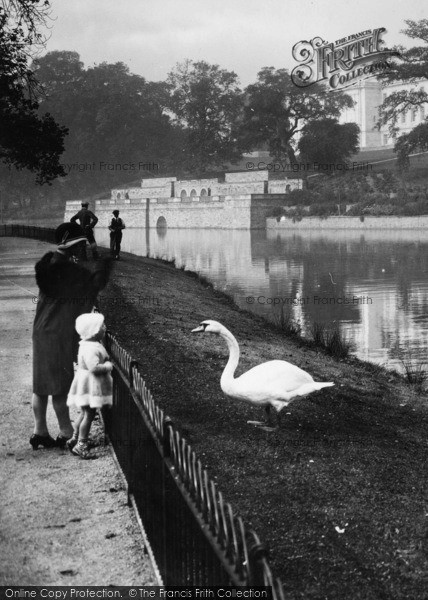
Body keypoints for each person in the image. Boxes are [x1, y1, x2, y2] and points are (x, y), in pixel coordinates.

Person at [30, 223, 112, 450]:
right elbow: (89, 290)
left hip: (41, 330)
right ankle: (66, 432)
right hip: (56, 333)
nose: (82, 249)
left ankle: (40, 432)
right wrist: (104, 267)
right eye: (80, 245)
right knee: (59, 387)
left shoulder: (49, 267)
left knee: (41, 385)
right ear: (71, 246)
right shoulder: (67, 272)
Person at [66, 313, 113, 459]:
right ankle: (81, 445)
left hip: (83, 383)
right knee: (89, 415)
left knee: (83, 413)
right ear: (93, 331)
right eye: (102, 326)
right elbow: (94, 368)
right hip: (90, 385)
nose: (105, 328)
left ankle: (75, 437)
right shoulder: (92, 348)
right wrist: (107, 365)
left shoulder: (85, 344)